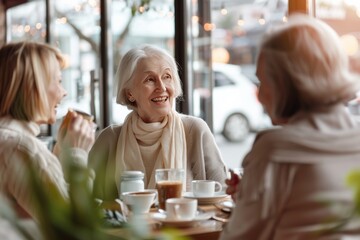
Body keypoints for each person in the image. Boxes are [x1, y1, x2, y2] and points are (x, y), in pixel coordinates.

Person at [220, 14, 360, 240]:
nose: (260, 96)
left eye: (263, 81)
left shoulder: (274, 150)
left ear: (286, 83)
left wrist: (250, 198)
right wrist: (250, 196)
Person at [89, 44, 227, 201]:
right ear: (130, 93)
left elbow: (223, 194)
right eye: (150, 79)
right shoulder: (109, 139)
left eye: (167, 77)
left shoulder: (195, 130)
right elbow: (89, 205)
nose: (162, 88)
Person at [0, 41, 95, 221]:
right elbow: (72, 224)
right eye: (58, 81)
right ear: (34, 87)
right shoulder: (22, 148)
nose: (64, 92)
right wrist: (77, 154)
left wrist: (61, 150)